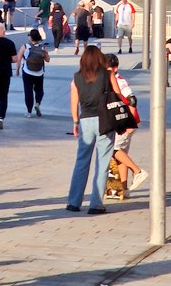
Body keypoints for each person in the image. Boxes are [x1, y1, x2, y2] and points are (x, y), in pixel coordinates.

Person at [66, 44, 122, 215]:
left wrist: (75, 122)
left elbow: (74, 103)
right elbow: (119, 95)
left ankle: (74, 202)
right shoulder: (108, 74)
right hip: (105, 120)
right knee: (103, 162)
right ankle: (96, 204)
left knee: (81, 161)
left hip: (85, 121)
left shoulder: (76, 78)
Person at [104, 54, 149, 196]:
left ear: (114, 68)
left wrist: (130, 123)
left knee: (113, 149)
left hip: (125, 122)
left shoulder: (119, 81)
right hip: (120, 121)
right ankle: (124, 188)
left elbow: (132, 100)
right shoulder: (111, 80)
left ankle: (138, 171)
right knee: (121, 155)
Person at [16, 28, 49, 118]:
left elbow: (18, 59)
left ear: (30, 37)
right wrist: (46, 53)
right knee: (39, 90)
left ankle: (29, 112)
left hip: (27, 71)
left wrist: (17, 70)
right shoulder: (43, 47)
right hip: (39, 72)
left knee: (28, 91)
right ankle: (37, 104)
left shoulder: (25, 46)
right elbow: (47, 60)